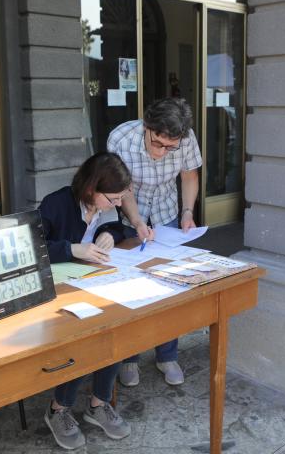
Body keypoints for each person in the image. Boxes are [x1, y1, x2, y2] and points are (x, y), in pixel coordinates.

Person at [39, 152, 132, 450]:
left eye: (120, 199)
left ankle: (98, 404)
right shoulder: (56, 204)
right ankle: (58, 409)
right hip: (59, 290)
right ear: (92, 189)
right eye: (113, 198)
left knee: (115, 328)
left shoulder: (105, 207)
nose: (117, 204)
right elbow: (32, 248)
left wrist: (108, 232)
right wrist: (72, 249)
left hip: (93, 283)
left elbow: (119, 227)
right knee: (84, 338)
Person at [107, 97, 202, 387]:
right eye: (157, 144)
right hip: (129, 214)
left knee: (168, 286)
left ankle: (167, 355)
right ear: (146, 127)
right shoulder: (121, 138)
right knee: (131, 289)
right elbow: (121, 188)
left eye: (170, 147)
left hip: (167, 213)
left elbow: (189, 176)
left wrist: (187, 212)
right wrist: (136, 222)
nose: (162, 153)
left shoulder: (185, 138)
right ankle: (129, 357)